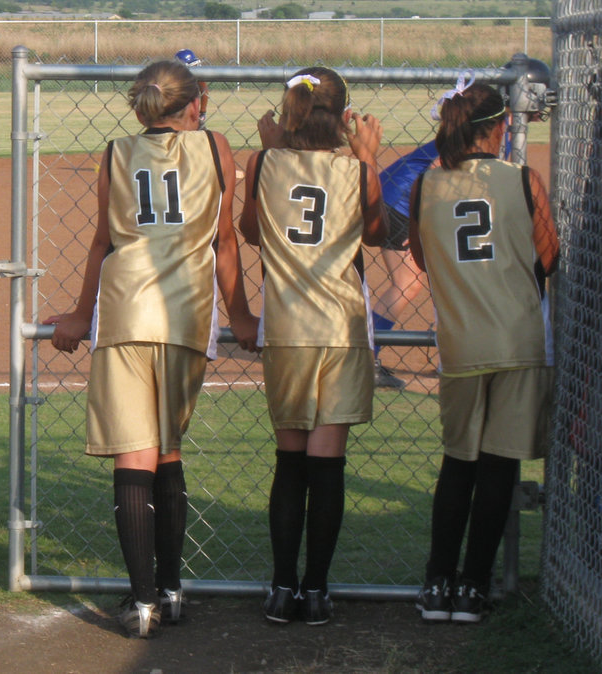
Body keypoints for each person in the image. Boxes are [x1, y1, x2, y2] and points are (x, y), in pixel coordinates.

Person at [46, 60, 259, 639]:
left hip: (125, 307)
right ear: (195, 103)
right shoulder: (215, 147)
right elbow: (224, 242)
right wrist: (239, 313)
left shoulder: (116, 152)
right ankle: (170, 587)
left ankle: (142, 602)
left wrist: (80, 311)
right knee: (166, 451)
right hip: (185, 312)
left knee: (132, 454)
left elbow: (101, 241)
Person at [240, 66, 386, 626]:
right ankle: (317, 590)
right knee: (328, 467)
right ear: (344, 115)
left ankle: (282, 588)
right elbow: (377, 232)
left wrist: (271, 151)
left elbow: (251, 231)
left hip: (286, 326)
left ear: (287, 112)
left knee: (290, 462)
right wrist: (366, 156)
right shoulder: (354, 169)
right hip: (341, 327)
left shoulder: (263, 164)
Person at [409, 81, 557, 624]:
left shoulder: (427, 184)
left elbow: (423, 258)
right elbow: (549, 254)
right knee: (499, 467)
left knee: (458, 465)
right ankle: (473, 588)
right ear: (499, 128)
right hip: (519, 339)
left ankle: (435, 584)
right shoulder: (521, 179)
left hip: (461, 340)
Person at [370, 141, 437, 389]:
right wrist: (422, 221)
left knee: (409, 283)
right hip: (398, 201)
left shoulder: (473, 125)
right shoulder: (476, 130)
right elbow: (437, 169)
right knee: (406, 284)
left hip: (396, 196)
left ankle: (364, 355)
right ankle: (365, 358)